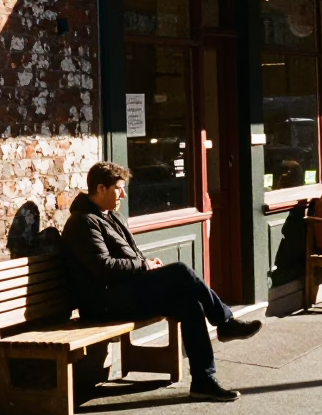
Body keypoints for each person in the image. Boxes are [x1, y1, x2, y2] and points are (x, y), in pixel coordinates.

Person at [62, 162, 262, 402]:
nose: (123, 195)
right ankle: (225, 322)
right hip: (103, 302)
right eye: (118, 188)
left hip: (124, 293)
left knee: (189, 303)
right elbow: (103, 268)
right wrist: (144, 265)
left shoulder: (112, 217)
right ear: (101, 188)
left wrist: (146, 262)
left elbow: (128, 258)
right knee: (181, 270)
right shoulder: (83, 222)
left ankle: (203, 381)